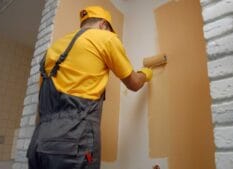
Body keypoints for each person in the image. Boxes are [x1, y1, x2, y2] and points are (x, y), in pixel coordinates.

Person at [27, 6, 152, 169]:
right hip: (73, 141)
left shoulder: (54, 49)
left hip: (38, 142)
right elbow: (134, 83)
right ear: (103, 24)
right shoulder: (105, 38)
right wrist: (146, 73)